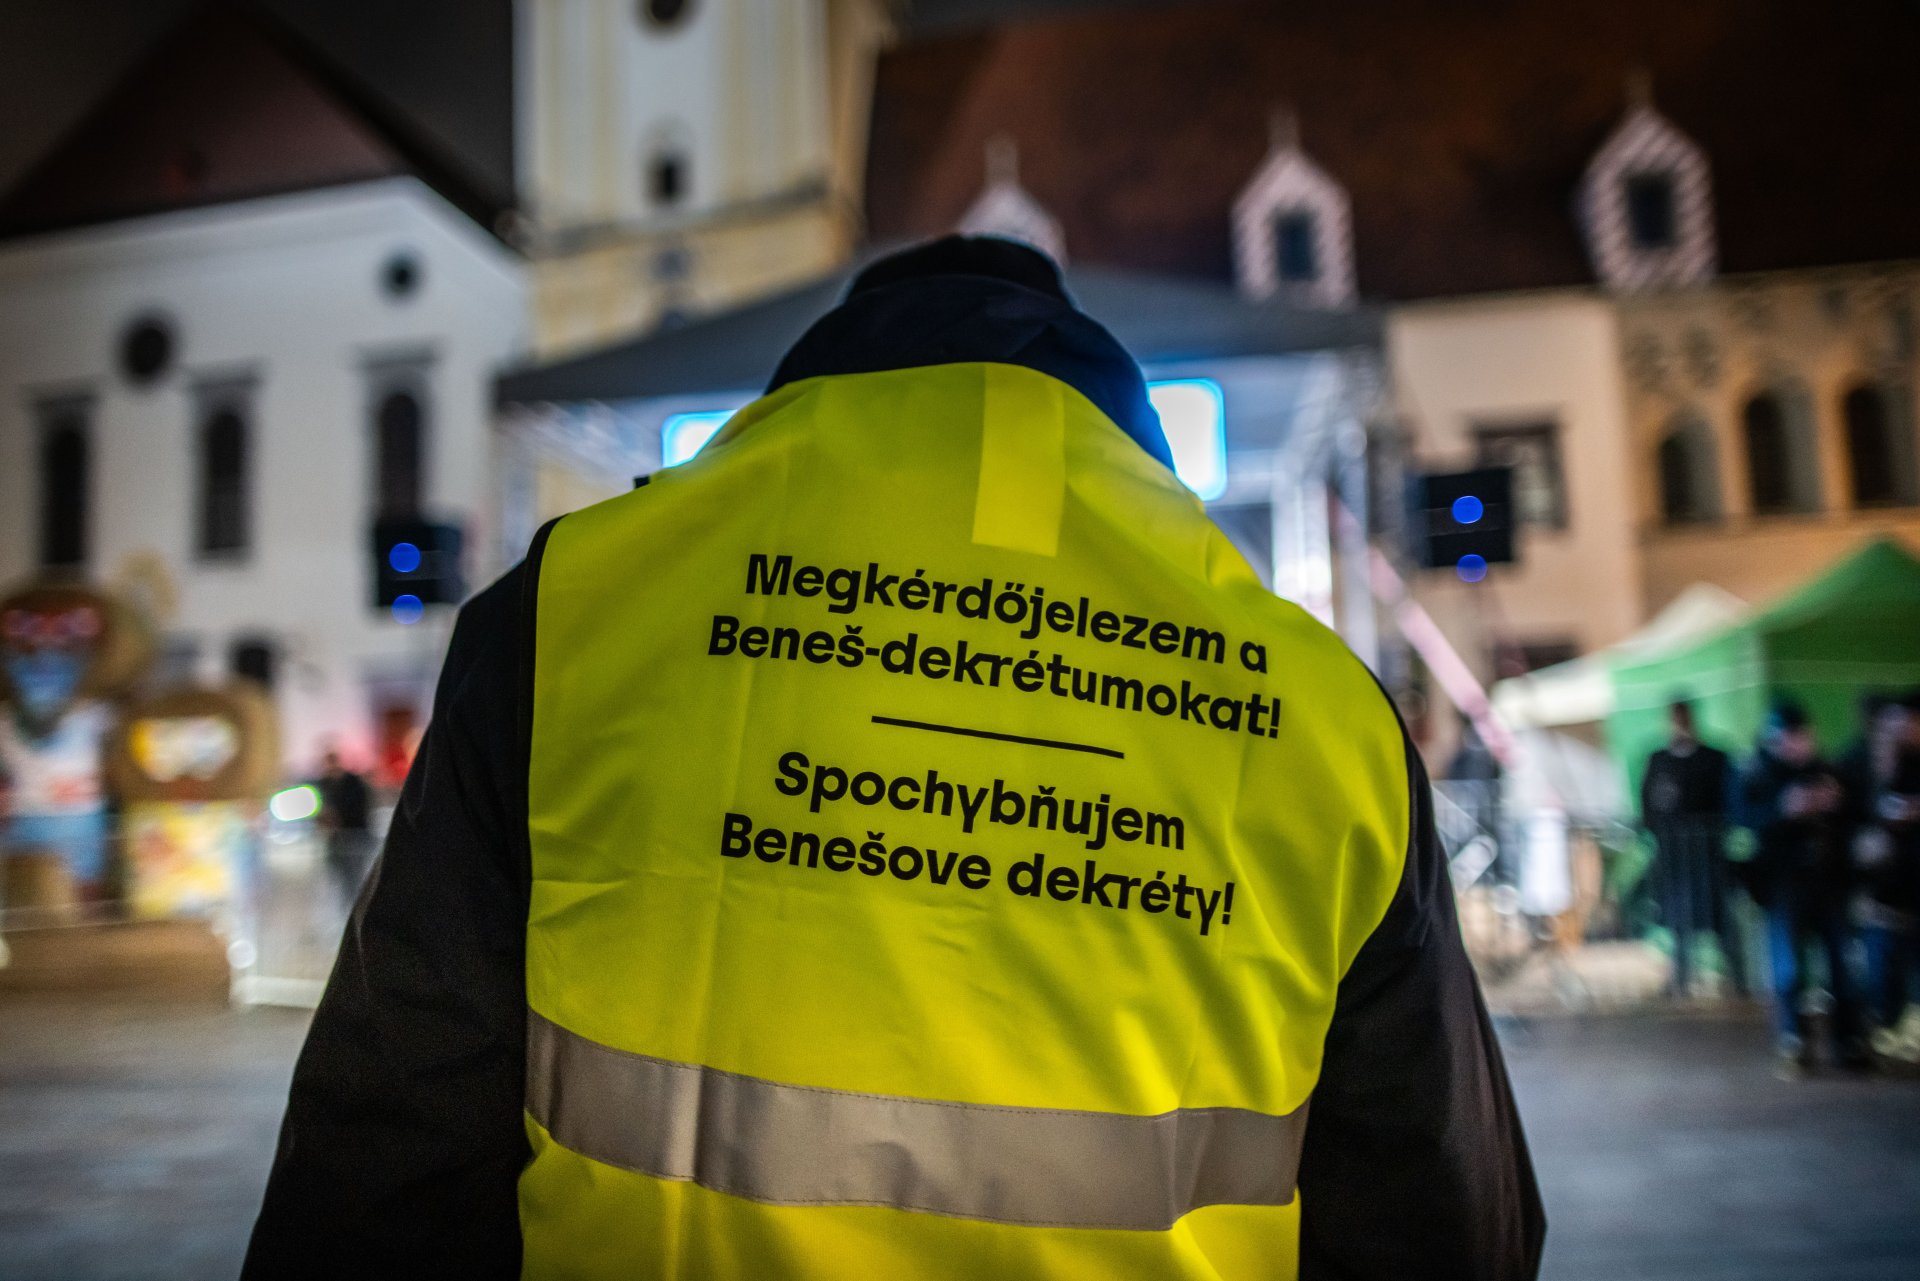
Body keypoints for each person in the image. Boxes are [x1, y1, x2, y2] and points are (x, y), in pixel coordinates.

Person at [243, 237, 1543, 1279]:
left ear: (814, 389)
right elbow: (1445, 1213)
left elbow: (389, 1147)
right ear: (1115, 418)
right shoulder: (1320, 706)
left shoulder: (570, 617)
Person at [1734, 700, 1866, 1074]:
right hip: (1783, 884)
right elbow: (1742, 818)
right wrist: (1783, 809)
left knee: (1841, 964)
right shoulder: (1756, 773)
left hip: (1829, 880)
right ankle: (1794, 1041)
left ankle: (1849, 1043)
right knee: (1788, 967)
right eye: (1788, 737)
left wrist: (1835, 804)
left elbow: (1854, 815)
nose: (1796, 744)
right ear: (1774, 739)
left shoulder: (1828, 770)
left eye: (1801, 735)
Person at [1640, 699, 1744, 997]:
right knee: (1679, 921)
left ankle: (1737, 978)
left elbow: (1728, 803)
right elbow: (1649, 806)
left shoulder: (1714, 759)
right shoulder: (1659, 761)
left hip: (1708, 856)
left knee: (1720, 918)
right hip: (1674, 858)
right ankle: (1681, 978)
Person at [1850, 692, 1920, 1058]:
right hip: (1880, 887)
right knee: (1882, 960)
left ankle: (1903, 1026)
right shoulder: (1857, 765)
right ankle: (1885, 1027)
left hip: (1906, 882)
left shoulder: (1909, 765)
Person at [313, 746, 375, 911]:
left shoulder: (353, 783)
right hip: (335, 842)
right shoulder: (325, 784)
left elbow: (359, 809)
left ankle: (355, 910)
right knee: (338, 880)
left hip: (354, 839)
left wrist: (338, 817)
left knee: (354, 879)